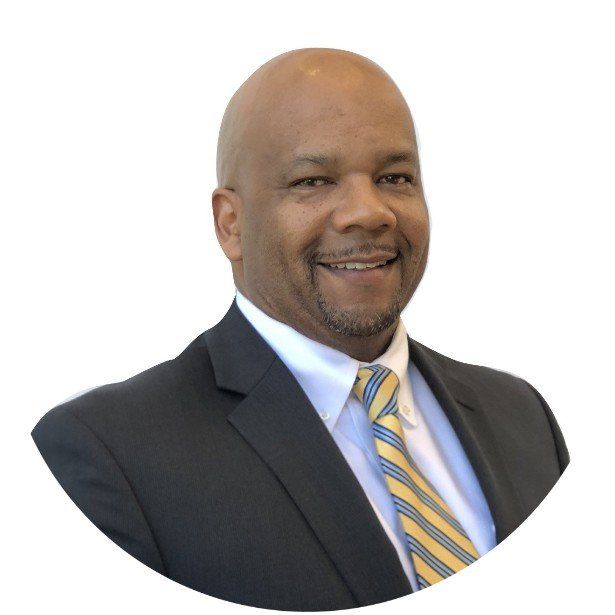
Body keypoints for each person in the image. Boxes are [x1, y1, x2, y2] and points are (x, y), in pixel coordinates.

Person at [31, 48, 569, 610]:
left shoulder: (522, 416)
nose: (369, 212)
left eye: (394, 177)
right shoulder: (106, 454)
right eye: (313, 180)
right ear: (231, 225)